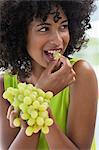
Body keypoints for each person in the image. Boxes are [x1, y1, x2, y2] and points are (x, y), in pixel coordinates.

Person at [0, 0, 98, 150]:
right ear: (20, 33)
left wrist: (39, 106)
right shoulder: (4, 86)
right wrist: (39, 95)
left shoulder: (81, 74)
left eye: (63, 27)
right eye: (44, 28)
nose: (58, 40)